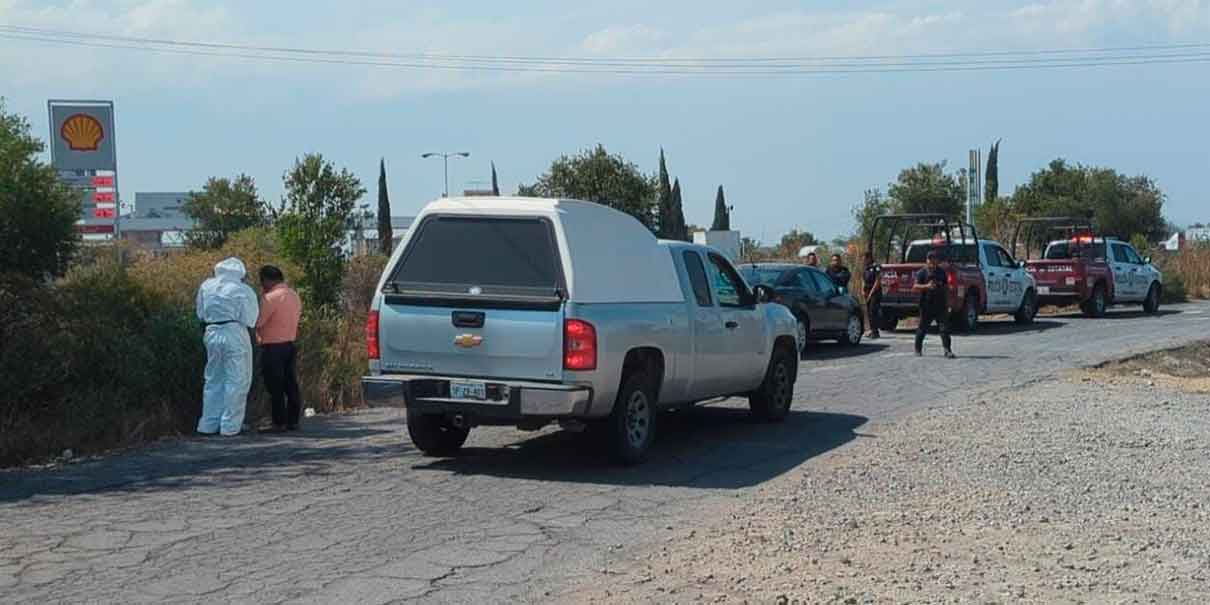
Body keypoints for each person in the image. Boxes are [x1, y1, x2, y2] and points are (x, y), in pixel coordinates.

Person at [196, 257, 260, 436]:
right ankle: (230, 426)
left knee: (213, 378)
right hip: (234, 332)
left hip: (211, 332)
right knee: (237, 380)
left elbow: (200, 313)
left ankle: (208, 424)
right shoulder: (242, 289)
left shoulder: (206, 286)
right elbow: (250, 319)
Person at [256, 265, 304, 432]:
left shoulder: (270, 298)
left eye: (262, 281)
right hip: (289, 345)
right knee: (290, 384)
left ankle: (278, 422)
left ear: (267, 280)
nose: (261, 285)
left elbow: (258, 322)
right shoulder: (294, 295)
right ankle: (293, 420)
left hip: (272, 347)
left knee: (274, 386)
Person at [913, 251, 955, 358]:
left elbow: (946, 287)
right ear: (927, 260)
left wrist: (949, 301)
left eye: (934, 259)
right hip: (926, 305)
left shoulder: (941, 272)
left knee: (944, 328)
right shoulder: (922, 272)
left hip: (940, 305)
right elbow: (915, 287)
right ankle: (918, 349)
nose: (932, 261)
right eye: (929, 259)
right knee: (922, 328)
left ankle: (947, 350)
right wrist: (926, 286)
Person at [861, 253, 882, 339]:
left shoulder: (876, 266)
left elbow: (877, 281)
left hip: (875, 292)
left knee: (873, 311)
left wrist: (871, 293)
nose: (863, 261)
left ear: (869, 258)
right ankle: (871, 330)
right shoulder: (866, 268)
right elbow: (863, 280)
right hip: (867, 291)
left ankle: (875, 331)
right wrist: (862, 290)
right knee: (869, 312)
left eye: (864, 259)